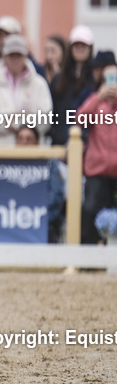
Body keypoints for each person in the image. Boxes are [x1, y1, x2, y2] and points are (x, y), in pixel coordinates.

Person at [0, 35, 53, 147]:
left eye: (18, 55)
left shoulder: (39, 84)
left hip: (31, 157)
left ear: (26, 56)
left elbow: (45, 118)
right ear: (4, 56)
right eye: (11, 55)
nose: (15, 59)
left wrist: (17, 124)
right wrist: (6, 119)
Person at [74, 51, 117, 244]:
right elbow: (79, 119)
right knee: (90, 210)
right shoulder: (95, 101)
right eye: (109, 78)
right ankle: (88, 259)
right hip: (97, 170)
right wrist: (97, 98)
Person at [50, 25, 95, 146]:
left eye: (83, 45)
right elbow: (53, 113)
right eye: (76, 45)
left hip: (87, 145)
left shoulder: (95, 80)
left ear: (90, 48)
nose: (79, 48)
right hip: (60, 143)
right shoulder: (59, 80)